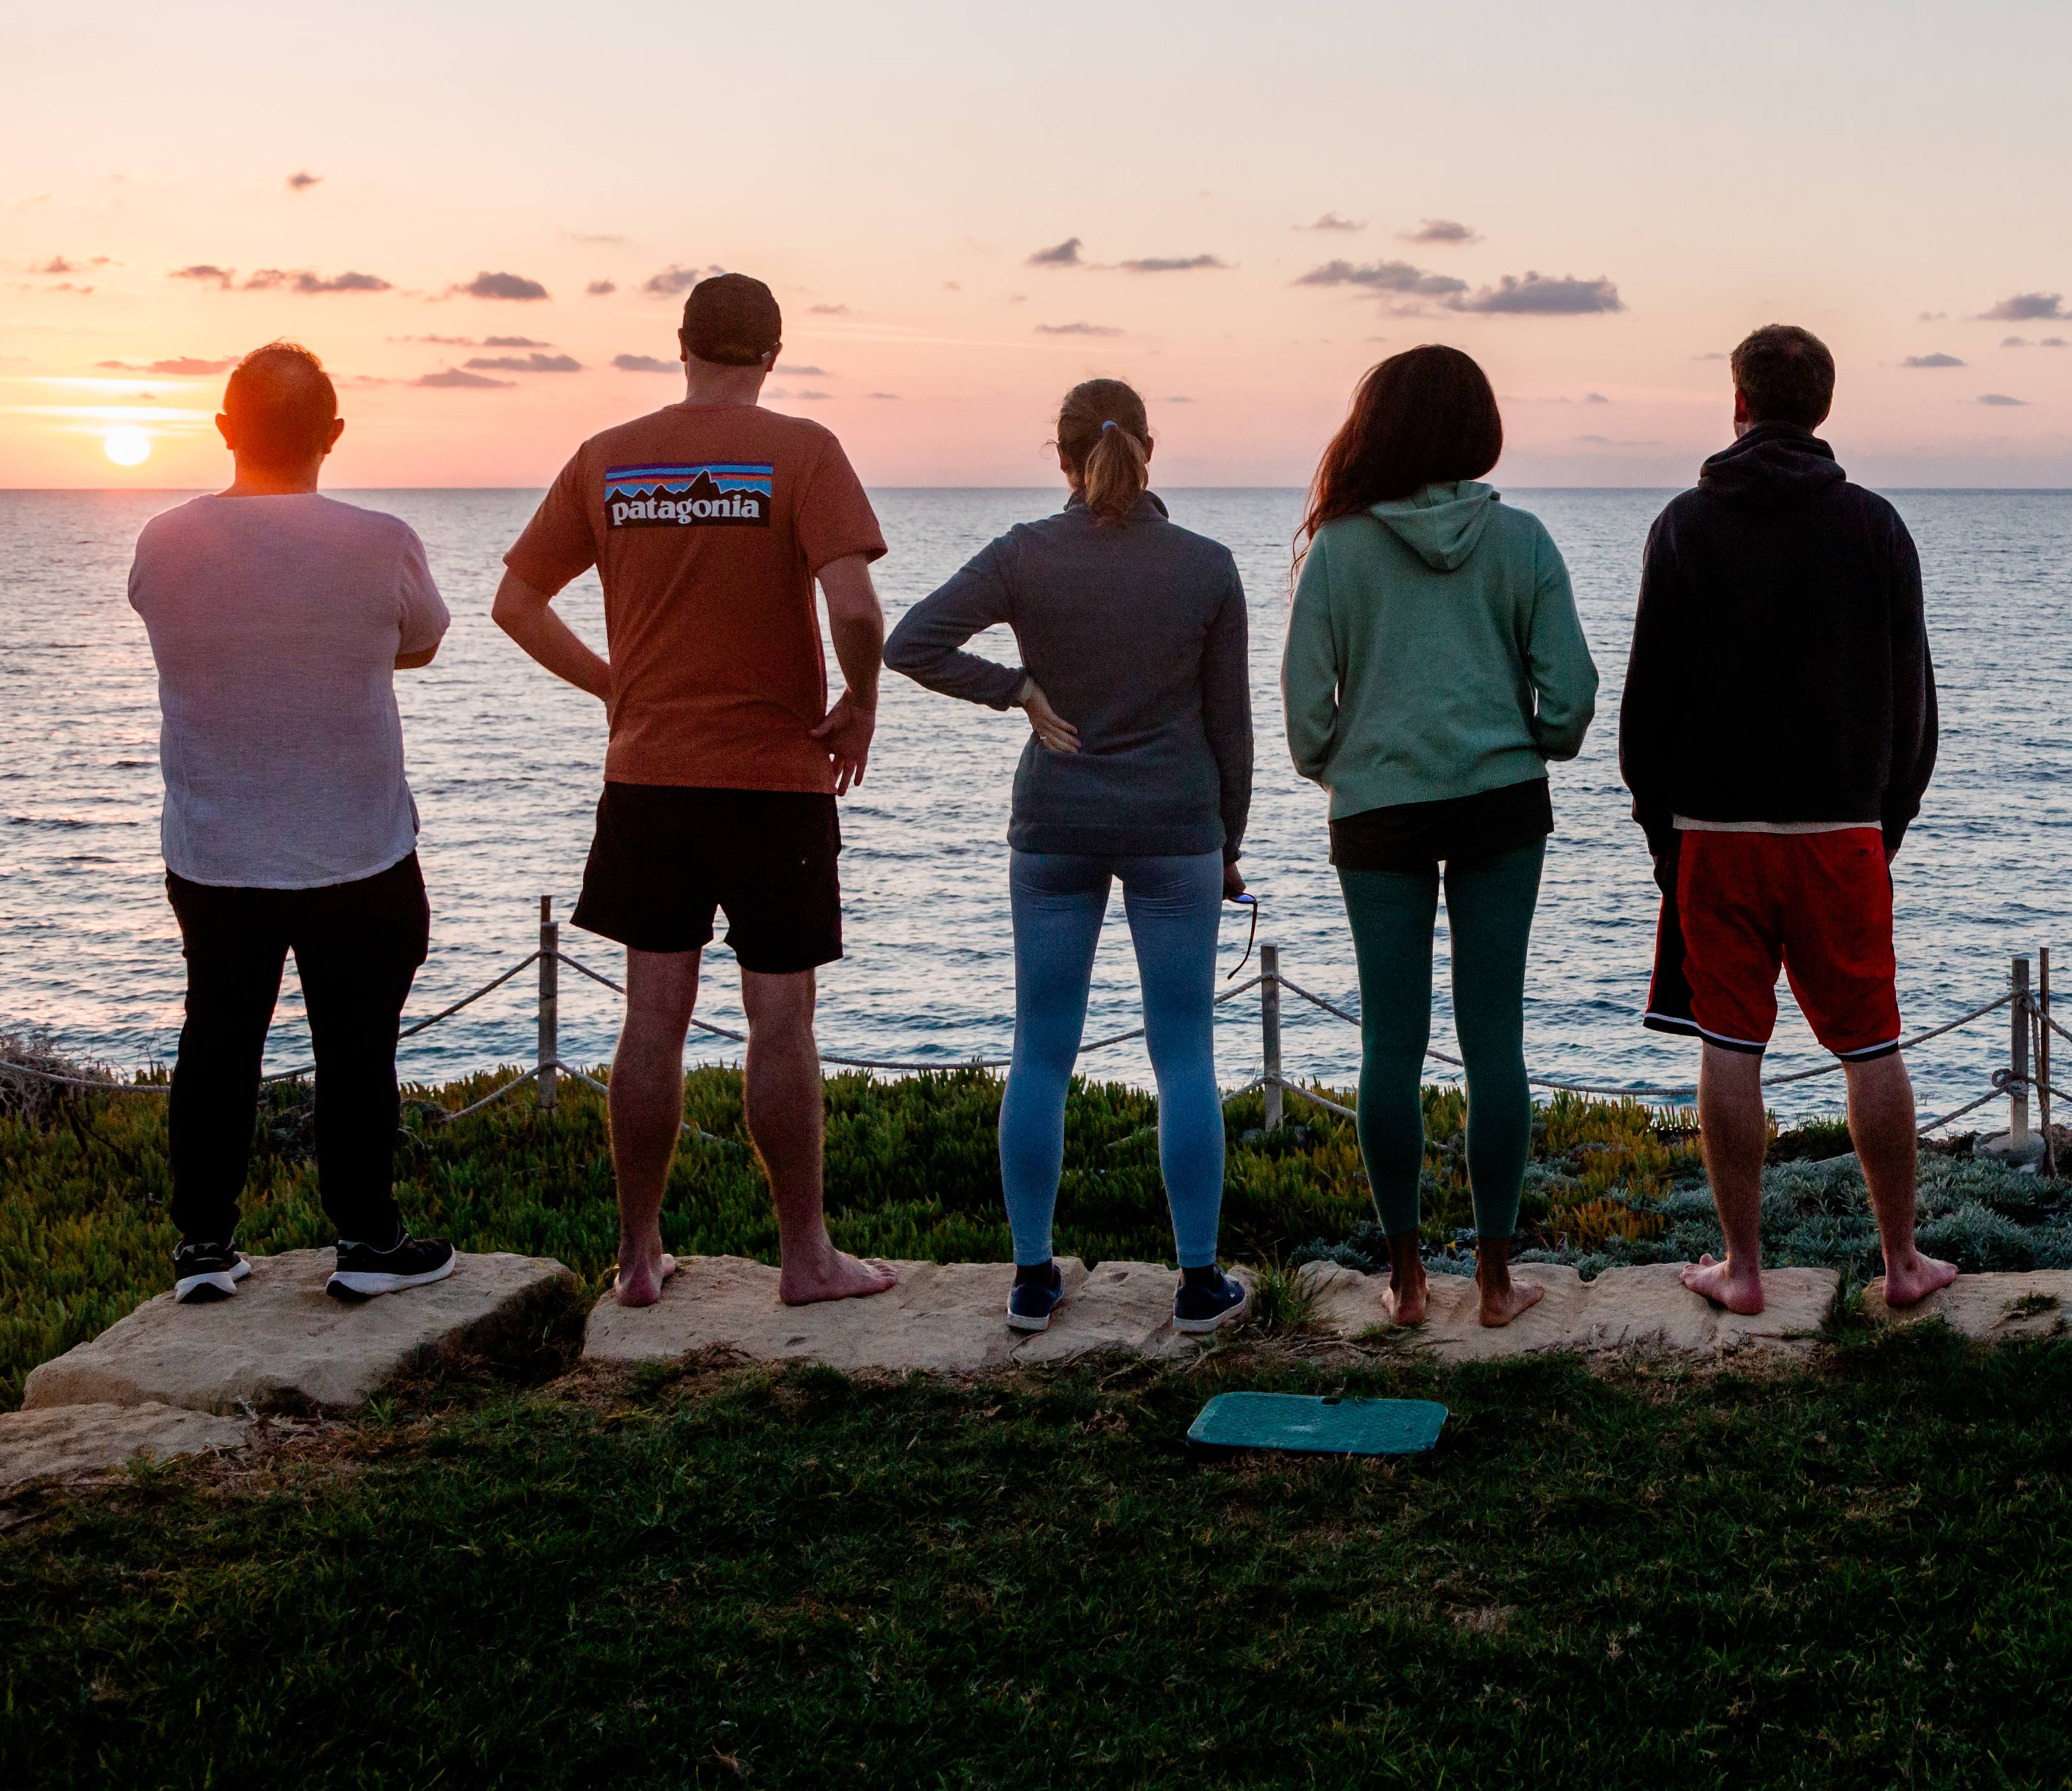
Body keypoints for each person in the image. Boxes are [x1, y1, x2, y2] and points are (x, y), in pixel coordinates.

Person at [492, 271, 894, 1310]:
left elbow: (516, 602)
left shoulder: (608, 456)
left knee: (652, 1017)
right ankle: (805, 1257)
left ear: (681, 344)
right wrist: (860, 701)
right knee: (781, 1020)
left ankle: (637, 1258)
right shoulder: (803, 451)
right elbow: (857, 607)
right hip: (774, 781)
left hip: (649, 776)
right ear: (772, 353)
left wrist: (613, 684)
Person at [886, 379, 1256, 1337]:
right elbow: (1232, 730)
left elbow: (910, 643)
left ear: (1060, 457)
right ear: (1149, 448)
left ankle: (1032, 1279)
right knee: (1184, 1055)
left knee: (1041, 1052)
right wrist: (1229, 846)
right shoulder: (1208, 566)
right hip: (1177, 829)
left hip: (1055, 824)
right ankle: (1199, 1282)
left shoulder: (1024, 553)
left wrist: (1017, 690)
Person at [1621, 324, 1957, 1316]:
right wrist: (1884, 825)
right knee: (1872, 1043)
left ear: (1738, 404)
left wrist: (1664, 832)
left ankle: (1743, 1269)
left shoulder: (1684, 525)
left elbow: (1646, 709)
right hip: (1841, 830)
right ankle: (1902, 1261)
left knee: (1729, 1042)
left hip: (1715, 832)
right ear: (1822, 408)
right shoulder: (1877, 526)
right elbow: (1916, 707)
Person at [127, 343, 458, 1303]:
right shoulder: (382, 541)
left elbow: (170, 625)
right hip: (360, 846)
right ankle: (366, 1240)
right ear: (334, 435)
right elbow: (422, 641)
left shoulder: (163, 540)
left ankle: (203, 1246)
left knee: (216, 1041)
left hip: (215, 849)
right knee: (358, 1048)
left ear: (225, 430)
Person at [1282, 344, 1596, 1328]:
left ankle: (1410, 1280)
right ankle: (1496, 1283)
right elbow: (1573, 699)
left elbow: (1304, 717)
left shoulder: (1339, 548)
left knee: (1392, 1040)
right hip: (1501, 800)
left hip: (1379, 809)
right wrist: (1528, 740)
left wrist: (1352, 762)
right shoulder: (1524, 540)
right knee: (1494, 1037)